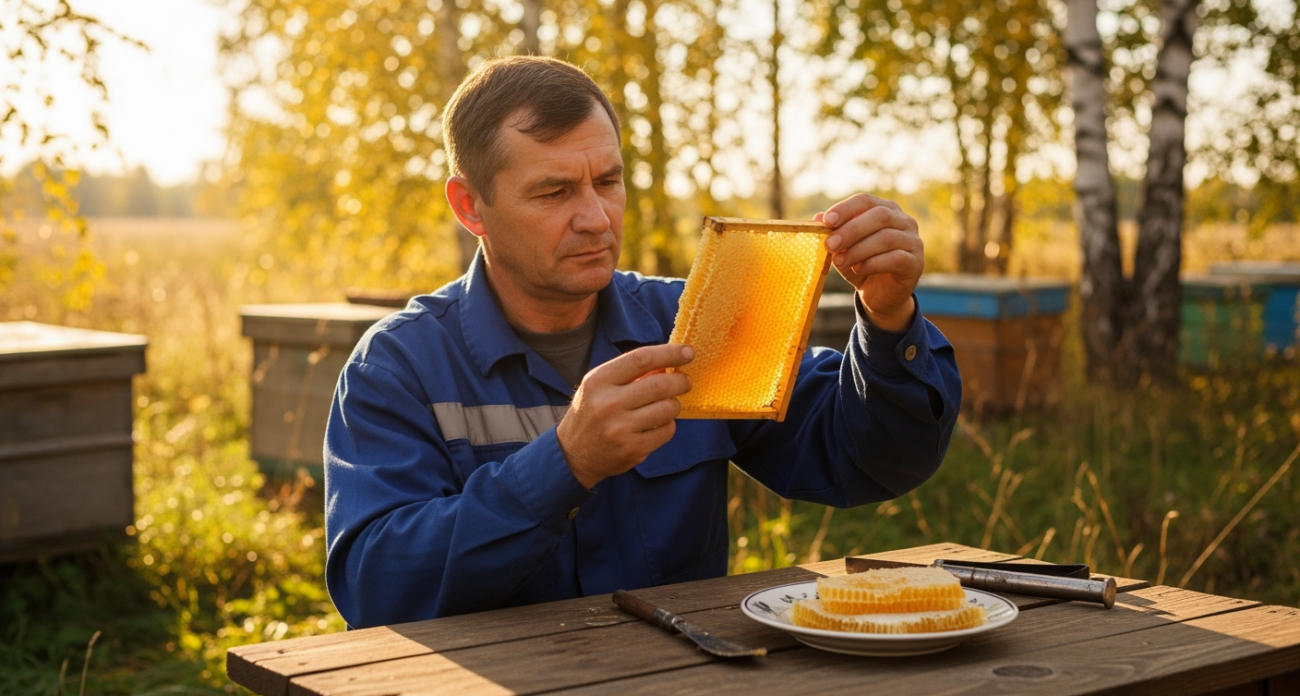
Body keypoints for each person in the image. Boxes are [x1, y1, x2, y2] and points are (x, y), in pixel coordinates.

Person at [323, 56, 961, 629]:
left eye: (607, 181)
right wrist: (564, 464)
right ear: (471, 206)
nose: (596, 219)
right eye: (554, 191)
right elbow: (375, 585)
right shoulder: (398, 365)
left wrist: (886, 316)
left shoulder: (689, 322)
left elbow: (867, 459)